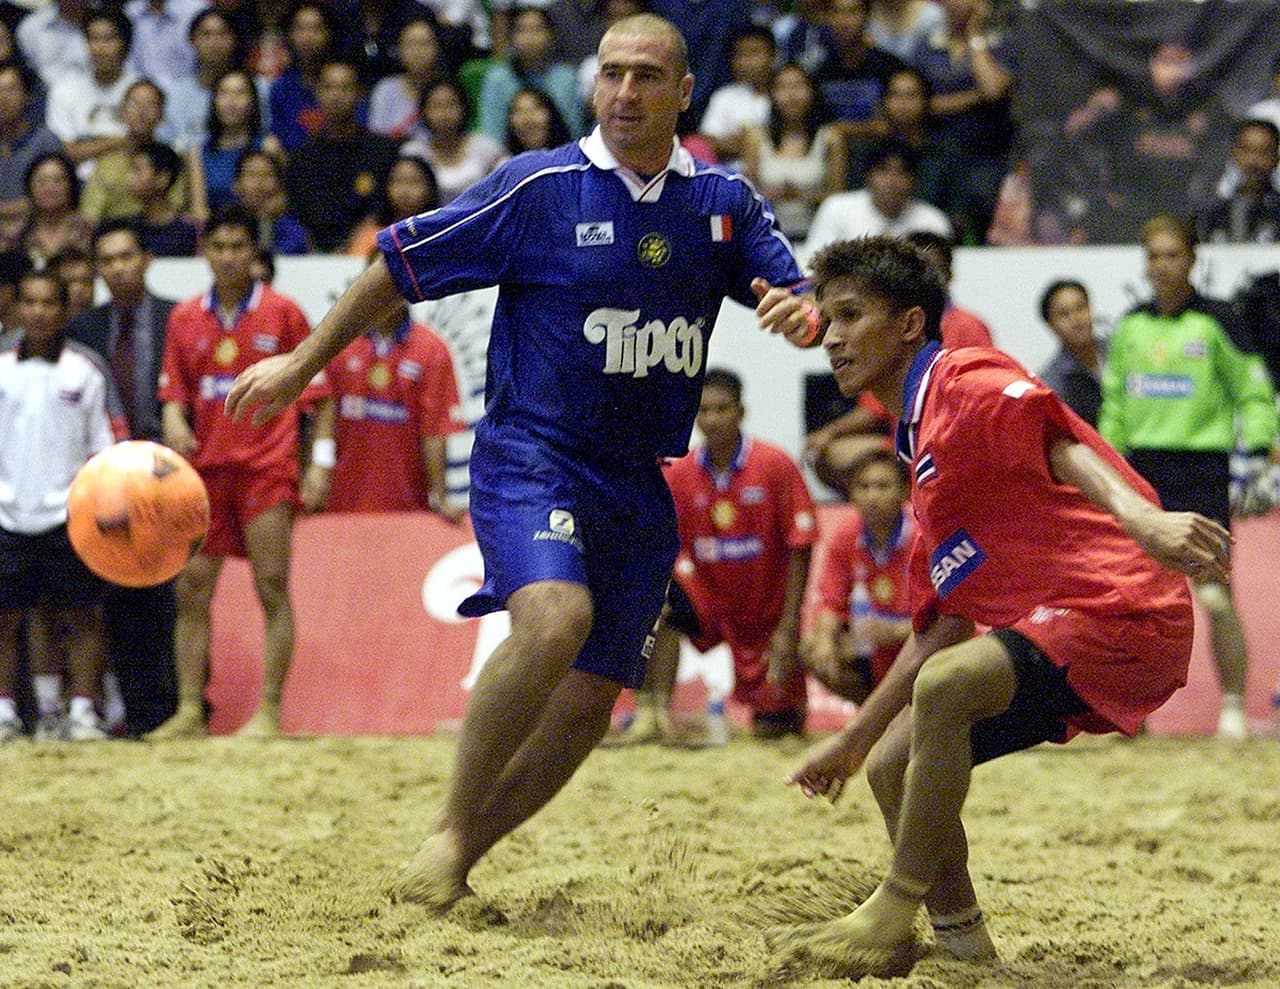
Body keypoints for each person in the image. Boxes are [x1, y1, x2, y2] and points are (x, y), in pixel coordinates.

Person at [224, 13, 816, 906]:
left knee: (589, 702)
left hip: (638, 479)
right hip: (531, 455)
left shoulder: (722, 205)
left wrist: (803, 312)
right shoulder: (537, 187)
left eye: (647, 76)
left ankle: (457, 852)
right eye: (611, 72)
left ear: (684, 93)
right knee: (551, 620)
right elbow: (397, 262)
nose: (624, 92)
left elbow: (793, 287)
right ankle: (446, 828)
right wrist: (303, 364)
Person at [776, 235, 1224, 979]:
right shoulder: (919, 452)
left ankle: (892, 904)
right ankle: (965, 950)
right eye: (829, 316)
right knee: (894, 762)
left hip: (1126, 602)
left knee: (947, 688)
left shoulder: (961, 374)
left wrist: (1141, 518)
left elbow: (1056, 442)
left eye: (853, 314)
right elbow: (940, 627)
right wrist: (853, 740)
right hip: (1072, 629)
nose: (834, 333)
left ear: (911, 323)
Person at [150, 204, 334, 739]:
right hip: (203, 473)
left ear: (254, 253)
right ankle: (189, 708)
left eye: (238, 247)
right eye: (218, 247)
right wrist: (174, 422)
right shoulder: (185, 317)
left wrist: (319, 465)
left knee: (272, 585)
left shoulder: (284, 313)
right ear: (205, 252)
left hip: (266, 470)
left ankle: (270, 711)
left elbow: (319, 399)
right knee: (191, 591)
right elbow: (172, 393)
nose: (228, 257)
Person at [1098, 214, 1278, 741]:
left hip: (1201, 472)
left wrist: (1263, 454)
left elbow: (1253, 392)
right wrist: (1108, 468)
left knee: (1216, 596)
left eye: (1172, 255)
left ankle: (1234, 710)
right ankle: (1134, 718)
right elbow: (1115, 407)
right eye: (1153, 256)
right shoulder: (1130, 325)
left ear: (1193, 260)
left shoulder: (1219, 320)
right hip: (1141, 476)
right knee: (1129, 600)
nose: (1162, 266)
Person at [627, 368, 819, 743]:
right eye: (704, 410)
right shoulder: (678, 473)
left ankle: (777, 708)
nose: (712, 419)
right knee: (651, 605)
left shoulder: (774, 465)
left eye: (722, 409)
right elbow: (659, 544)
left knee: (775, 729)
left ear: (741, 412)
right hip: (708, 601)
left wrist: (788, 624)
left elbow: (801, 544)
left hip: (765, 610)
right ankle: (654, 713)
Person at [0, 269, 126, 744]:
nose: (38, 312)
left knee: (82, 616)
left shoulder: (87, 369)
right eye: (29, 302)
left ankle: (79, 713)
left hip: (70, 516)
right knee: (7, 619)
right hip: (7, 514)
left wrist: (104, 506)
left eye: (49, 303)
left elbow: (107, 447)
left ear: (64, 309)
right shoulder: (1, 368)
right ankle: (12, 713)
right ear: (16, 309)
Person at [68, 218, 180, 736]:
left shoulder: (176, 318)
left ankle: (179, 706)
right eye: (107, 260)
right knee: (117, 597)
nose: (117, 268)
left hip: (169, 479)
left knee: (173, 596)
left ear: (147, 258)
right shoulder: (83, 329)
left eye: (126, 256)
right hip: (106, 484)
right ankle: (133, 711)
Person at [319, 289, 466, 517]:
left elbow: (434, 433)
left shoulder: (431, 349)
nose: (385, 291)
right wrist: (319, 469)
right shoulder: (341, 342)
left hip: (407, 507)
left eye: (393, 281)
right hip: (342, 504)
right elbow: (325, 417)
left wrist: (439, 495)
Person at [801, 448, 912, 703]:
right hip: (872, 648)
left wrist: (897, 631)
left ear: (904, 492)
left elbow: (949, 618)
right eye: (863, 487)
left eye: (883, 487)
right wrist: (826, 640)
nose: (872, 497)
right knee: (813, 648)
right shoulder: (845, 535)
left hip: (918, 642)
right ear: (851, 493)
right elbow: (830, 602)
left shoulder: (923, 536)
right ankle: (878, 719)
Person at [285, 57, 399, 253]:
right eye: (328, 88)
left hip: (369, 253)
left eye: (345, 88)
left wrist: (352, 248)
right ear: (317, 93)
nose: (336, 96)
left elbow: (382, 211)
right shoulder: (302, 156)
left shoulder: (382, 151)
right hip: (313, 258)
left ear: (359, 93)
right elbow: (299, 215)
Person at [740, 61, 846, 242]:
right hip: (766, 237)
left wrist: (803, 196)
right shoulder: (755, 137)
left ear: (812, 91)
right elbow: (745, 195)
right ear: (772, 94)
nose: (791, 95)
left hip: (819, 237)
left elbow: (839, 197)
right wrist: (772, 195)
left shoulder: (830, 137)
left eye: (798, 86)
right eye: (783, 87)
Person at [804, 137, 951, 258]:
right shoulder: (836, 209)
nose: (892, 181)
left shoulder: (933, 222)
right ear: (868, 175)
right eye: (883, 170)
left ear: (914, 180)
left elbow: (940, 280)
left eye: (902, 172)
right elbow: (813, 263)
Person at [43, 7, 137, 175]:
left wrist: (88, 147)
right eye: (93, 39)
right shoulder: (64, 89)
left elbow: (143, 147)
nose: (99, 48)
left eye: (108, 39)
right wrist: (120, 141)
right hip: (78, 183)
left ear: (125, 43)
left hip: (129, 181)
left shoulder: (141, 89)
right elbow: (67, 154)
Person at [474, 7, 584, 143]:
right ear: (511, 37)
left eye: (537, 29)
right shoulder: (497, 79)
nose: (530, 37)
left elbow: (573, 132)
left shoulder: (565, 78)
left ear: (551, 36)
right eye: (522, 30)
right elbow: (491, 135)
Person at [400, 77, 506, 206]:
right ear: (424, 111)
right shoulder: (413, 152)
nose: (443, 114)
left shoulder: (487, 149)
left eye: (451, 105)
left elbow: (507, 190)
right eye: (436, 106)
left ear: (464, 108)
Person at [697, 25, 775, 167]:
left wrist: (750, 141)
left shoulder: (784, 93)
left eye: (754, 53)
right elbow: (706, 142)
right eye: (740, 55)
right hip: (732, 175)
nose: (746, 62)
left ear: (772, 55)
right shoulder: (724, 97)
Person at [1196, 118, 1280, 245]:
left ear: (1275, 158)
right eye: (1246, 150)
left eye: (1263, 152)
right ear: (1233, 153)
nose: (1253, 161)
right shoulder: (1211, 215)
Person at [1037, 278, 1104, 427]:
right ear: (1050, 324)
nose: (1076, 319)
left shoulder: (1120, 352)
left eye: (1080, 308)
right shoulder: (1052, 385)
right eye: (1064, 314)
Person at [124, 140, 200, 257]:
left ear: (162, 178)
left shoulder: (189, 229)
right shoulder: (128, 228)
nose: (129, 177)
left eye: (137, 170)